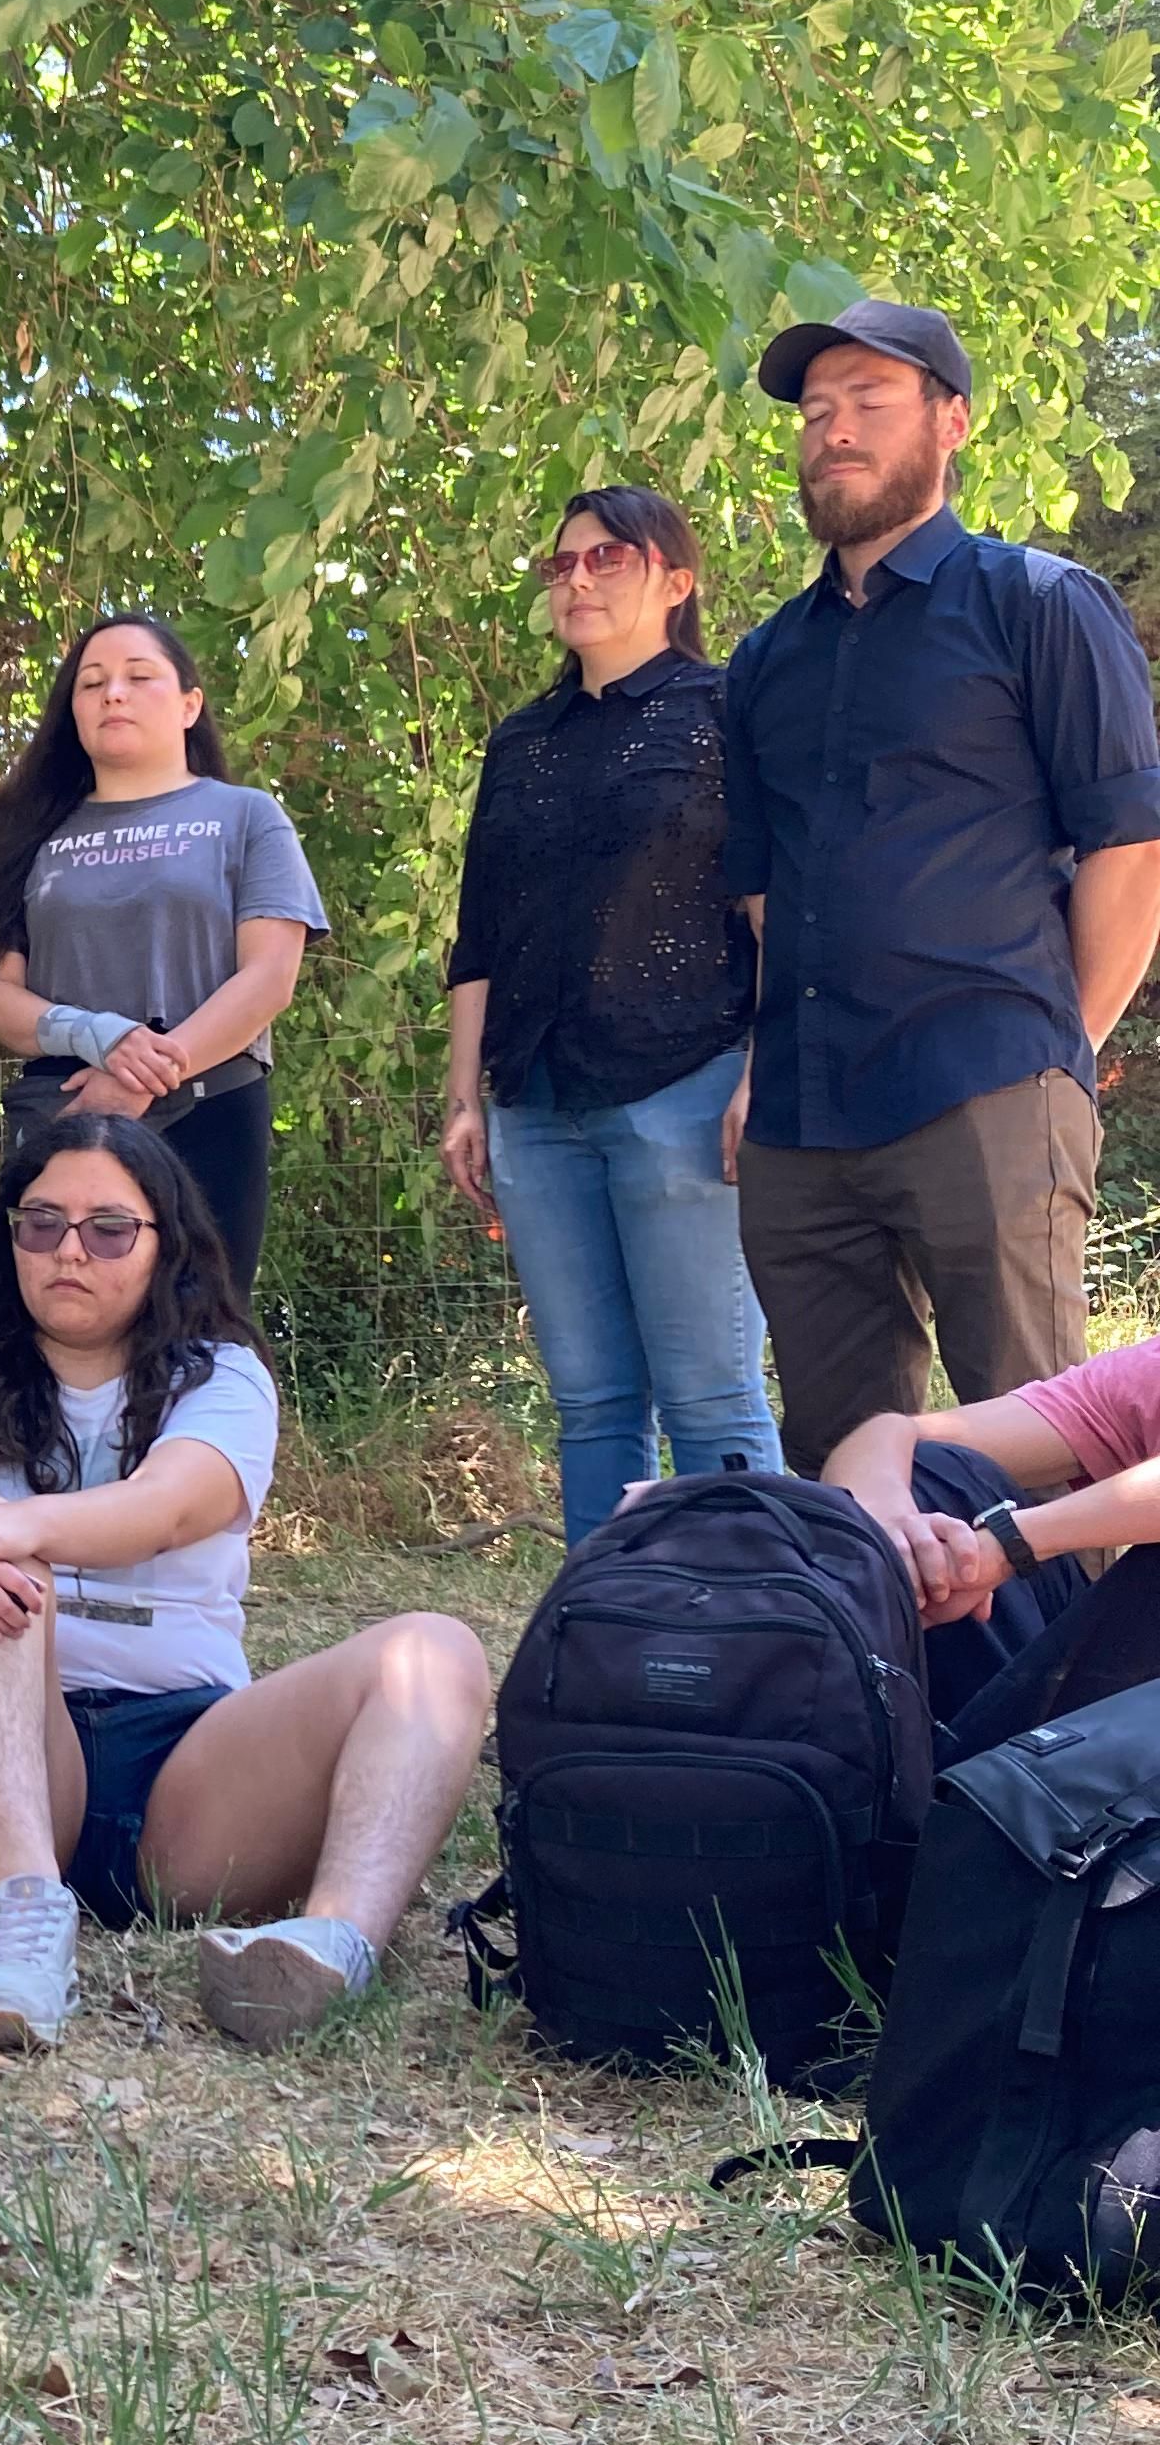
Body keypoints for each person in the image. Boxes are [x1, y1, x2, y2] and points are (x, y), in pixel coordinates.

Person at [0, 1113, 492, 2056]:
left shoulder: (223, 1376)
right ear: (7, 1239)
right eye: (42, 1224)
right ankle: (26, 1920)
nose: (72, 1250)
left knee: (438, 1651)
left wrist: (10, 1522)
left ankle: (333, 1944)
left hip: (184, 1774)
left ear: (164, 1245)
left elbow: (172, 1506)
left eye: (109, 1228)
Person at [725, 298, 1160, 1472]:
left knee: (1044, 1448)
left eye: (870, 401)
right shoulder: (766, 659)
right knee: (848, 1474)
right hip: (803, 1128)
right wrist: (766, 1078)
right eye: (817, 411)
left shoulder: (1039, 605)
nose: (836, 431)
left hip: (986, 1089)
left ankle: (1096, 1669)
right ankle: (894, 1668)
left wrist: (1051, 1055)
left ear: (951, 422)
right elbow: (766, 893)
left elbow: (1129, 848)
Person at [441, 487, 783, 1545]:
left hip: (685, 1090)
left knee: (711, 1397)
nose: (578, 579)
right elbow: (480, 930)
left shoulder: (730, 712)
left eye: (609, 559)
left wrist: (762, 1074)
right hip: (534, 1107)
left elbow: (781, 909)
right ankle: (607, 1648)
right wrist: (465, 1098)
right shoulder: (521, 741)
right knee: (590, 1406)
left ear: (675, 582)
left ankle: (754, 1641)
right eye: (564, 564)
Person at [0, 611, 327, 1295]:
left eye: (139, 676)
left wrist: (142, 1076)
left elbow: (270, 977)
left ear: (191, 704)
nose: (113, 694)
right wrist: (97, 1035)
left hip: (209, 1104)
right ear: (71, 712)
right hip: (67, 1110)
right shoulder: (30, 832)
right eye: (91, 683)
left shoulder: (247, 816)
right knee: (54, 1333)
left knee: (201, 1340)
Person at [828, 1339, 1160, 1630]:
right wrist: (888, 1520)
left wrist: (1008, 1544)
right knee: (931, 1475)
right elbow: (888, 1434)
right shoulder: (1148, 1371)